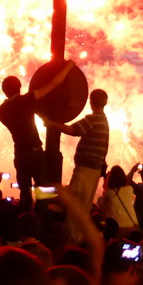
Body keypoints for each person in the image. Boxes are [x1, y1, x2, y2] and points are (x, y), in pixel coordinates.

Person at [0, 60, 75, 210]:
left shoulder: (1, 110)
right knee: (44, 191)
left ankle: (25, 218)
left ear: (4, 90)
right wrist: (68, 67)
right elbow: (53, 85)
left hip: (19, 154)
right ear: (20, 88)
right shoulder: (26, 100)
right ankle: (43, 220)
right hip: (35, 153)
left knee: (24, 192)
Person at [43, 88, 110, 236]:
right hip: (94, 170)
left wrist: (50, 123)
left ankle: (73, 239)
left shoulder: (93, 119)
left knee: (75, 207)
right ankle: (42, 193)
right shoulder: (104, 120)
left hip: (85, 169)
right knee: (81, 205)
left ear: (90, 102)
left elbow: (72, 130)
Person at [97, 165, 139, 233]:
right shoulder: (130, 189)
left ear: (110, 178)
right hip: (131, 225)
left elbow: (102, 206)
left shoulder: (109, 192)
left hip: (117, 227)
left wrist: (104, 191)